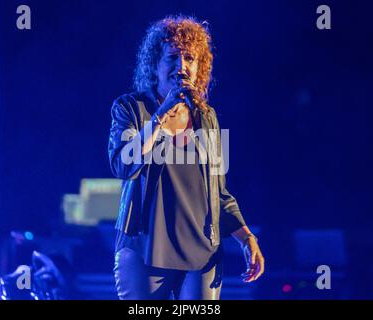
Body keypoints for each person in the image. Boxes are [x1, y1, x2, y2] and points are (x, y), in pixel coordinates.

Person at [108, 15, 264, 300]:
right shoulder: (130, 108)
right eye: (172, 57)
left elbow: (219, 193)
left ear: (199, 68)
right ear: (155, 65)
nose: (181, 67)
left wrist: (247, 239)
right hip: (145, 249)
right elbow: (123, 165)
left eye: (189, 58)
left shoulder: (207, 117)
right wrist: (161, 115)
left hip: (202, 252)